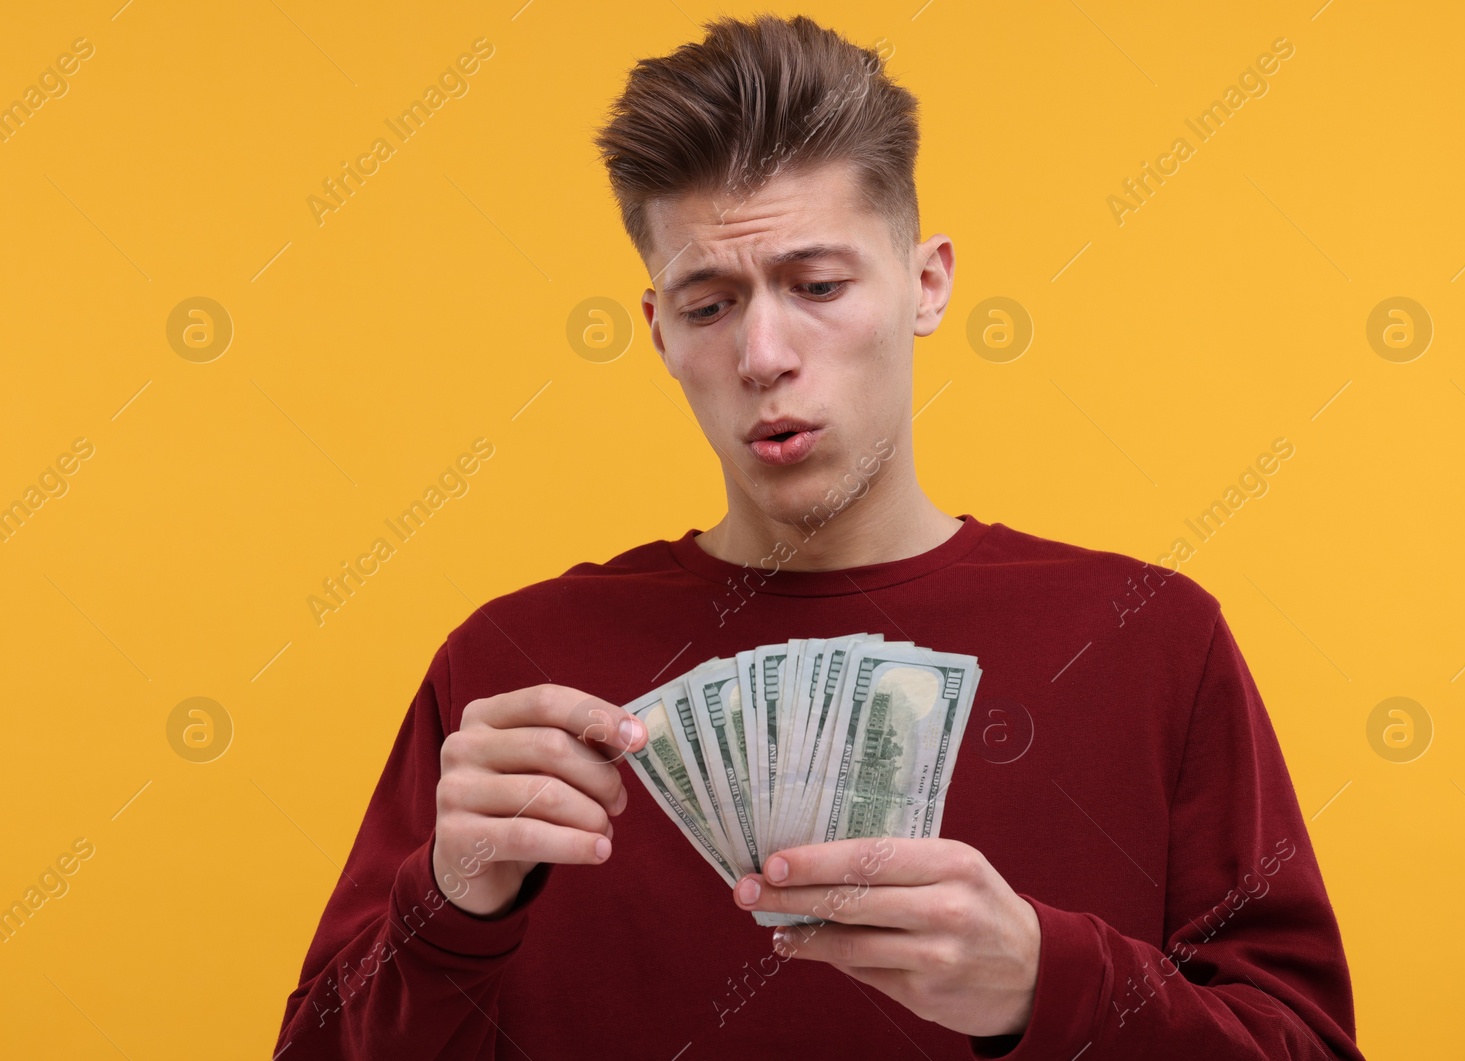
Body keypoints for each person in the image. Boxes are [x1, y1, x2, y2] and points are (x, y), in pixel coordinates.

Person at [273, 14, 1363, 1060]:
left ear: (926, 284)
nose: (763, 351)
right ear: (658, 330)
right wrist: (449, 902)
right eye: (707, 303)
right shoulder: (514, 668)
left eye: (817, 285)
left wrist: (1046, 980)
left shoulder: (1152, 640)